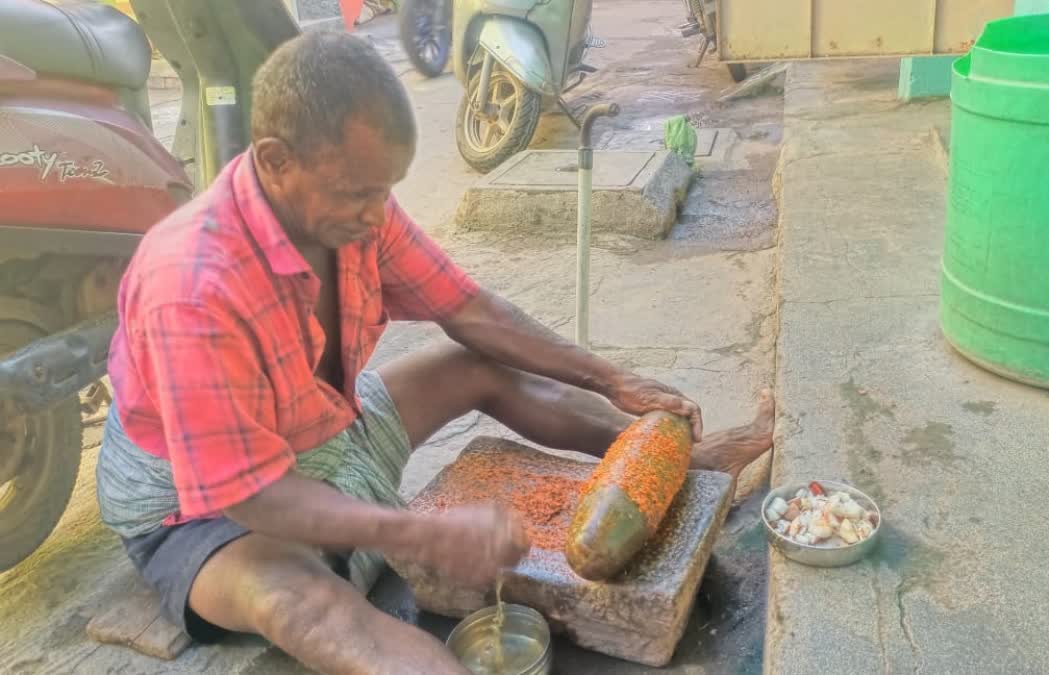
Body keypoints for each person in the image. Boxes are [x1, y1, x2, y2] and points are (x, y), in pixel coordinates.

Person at [95, 31, 774, 674]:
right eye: (357, 193)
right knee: (302, 603)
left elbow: (469, 310)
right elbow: (253, 494)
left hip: (322, 432)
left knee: (477, 366)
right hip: (201, 506)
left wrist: (610, 377)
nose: (375, 215)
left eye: (384, 190)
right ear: (275, 161)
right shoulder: (191, 287)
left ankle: (675, 468)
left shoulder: (356, 210)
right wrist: (417, 533)